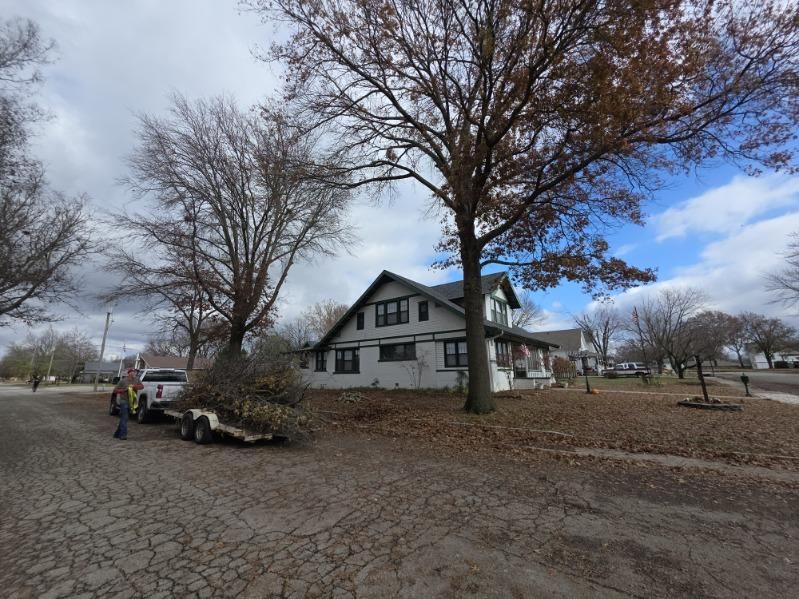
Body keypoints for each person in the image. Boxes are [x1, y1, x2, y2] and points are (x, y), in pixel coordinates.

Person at [113, 370, 139, 441]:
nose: (135, 374)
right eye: (133, 372)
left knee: (123, 418)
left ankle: (117, 434)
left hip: (132, 402)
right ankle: (123, 435)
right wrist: (125, 390)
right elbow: (115, 390)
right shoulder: (123, 381)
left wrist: (135, 386)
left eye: (135, 373)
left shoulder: (136, 380)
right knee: (125, 417)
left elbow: (142, 386)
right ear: (129, 373)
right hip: (123, 401)